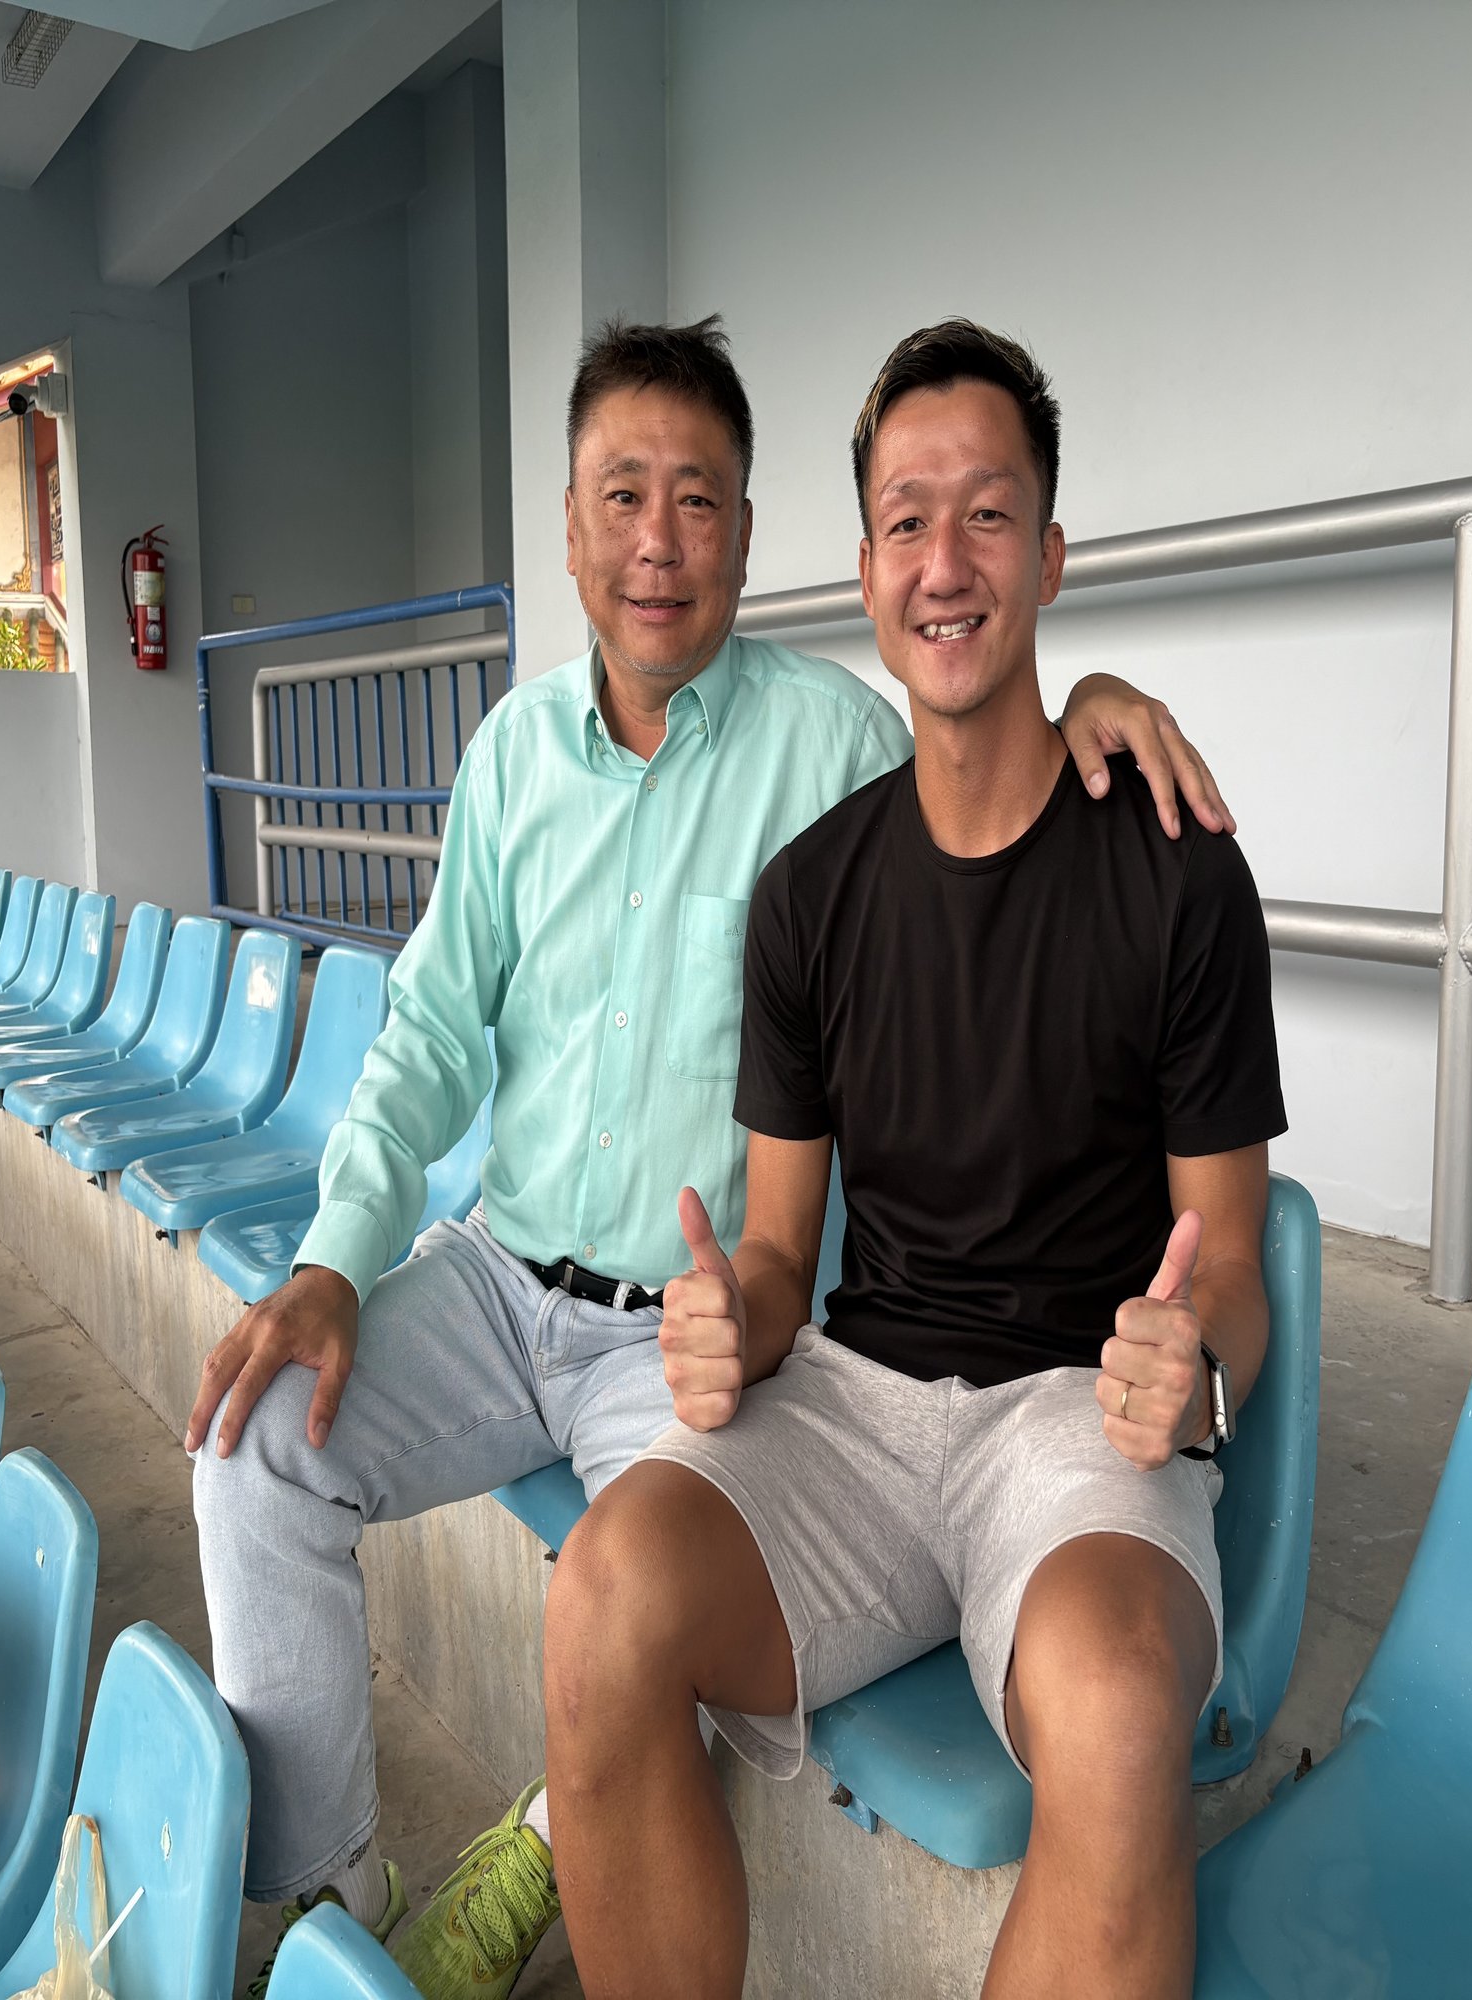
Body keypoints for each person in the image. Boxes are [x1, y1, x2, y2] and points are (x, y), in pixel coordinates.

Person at [184, 313, 1234, 1999]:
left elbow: (991, 748)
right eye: (623, 496)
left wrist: (1100, 698)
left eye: (699, 501)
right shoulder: (518, 758)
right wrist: (333, 1258)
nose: (659, 541)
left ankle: (551, 1840)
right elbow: (432, 1033)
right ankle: (329, 1915)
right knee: (254, 1448)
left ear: (750, 536)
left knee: (643, 1609)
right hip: (512, 1279)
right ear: (572, 526)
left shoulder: (838, 746)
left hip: (702, 1347)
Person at [542, 320, 1287, 1999]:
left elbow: (1231, 1263)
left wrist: (1199, 1370)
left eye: (988, 515)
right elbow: (781, 1251)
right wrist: (731, 1316)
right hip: (858, 1413)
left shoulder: (1175, 871)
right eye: (905, 521)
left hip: (1080, 1420)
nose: (945, 562)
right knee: (603, 1598)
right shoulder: (809, 897)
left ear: (1050, 556)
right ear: (868, 570)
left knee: (1117, 1718)